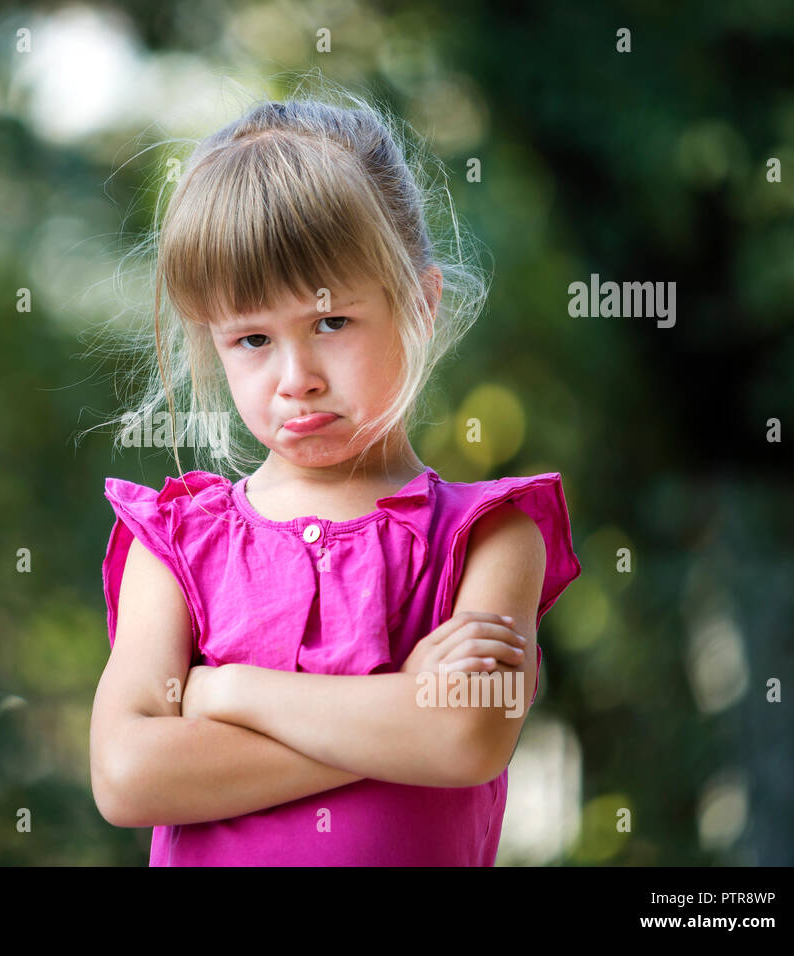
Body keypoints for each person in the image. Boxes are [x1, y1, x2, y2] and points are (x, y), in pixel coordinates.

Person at [89, 92, 582, 865]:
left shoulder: (488, 535)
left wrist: (230, 695)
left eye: (330, 323)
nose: (296, 379)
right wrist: (397, 718)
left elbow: (462, 737)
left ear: (419, 307)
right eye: (252, 338)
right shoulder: (177, 546)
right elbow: (125, 775)